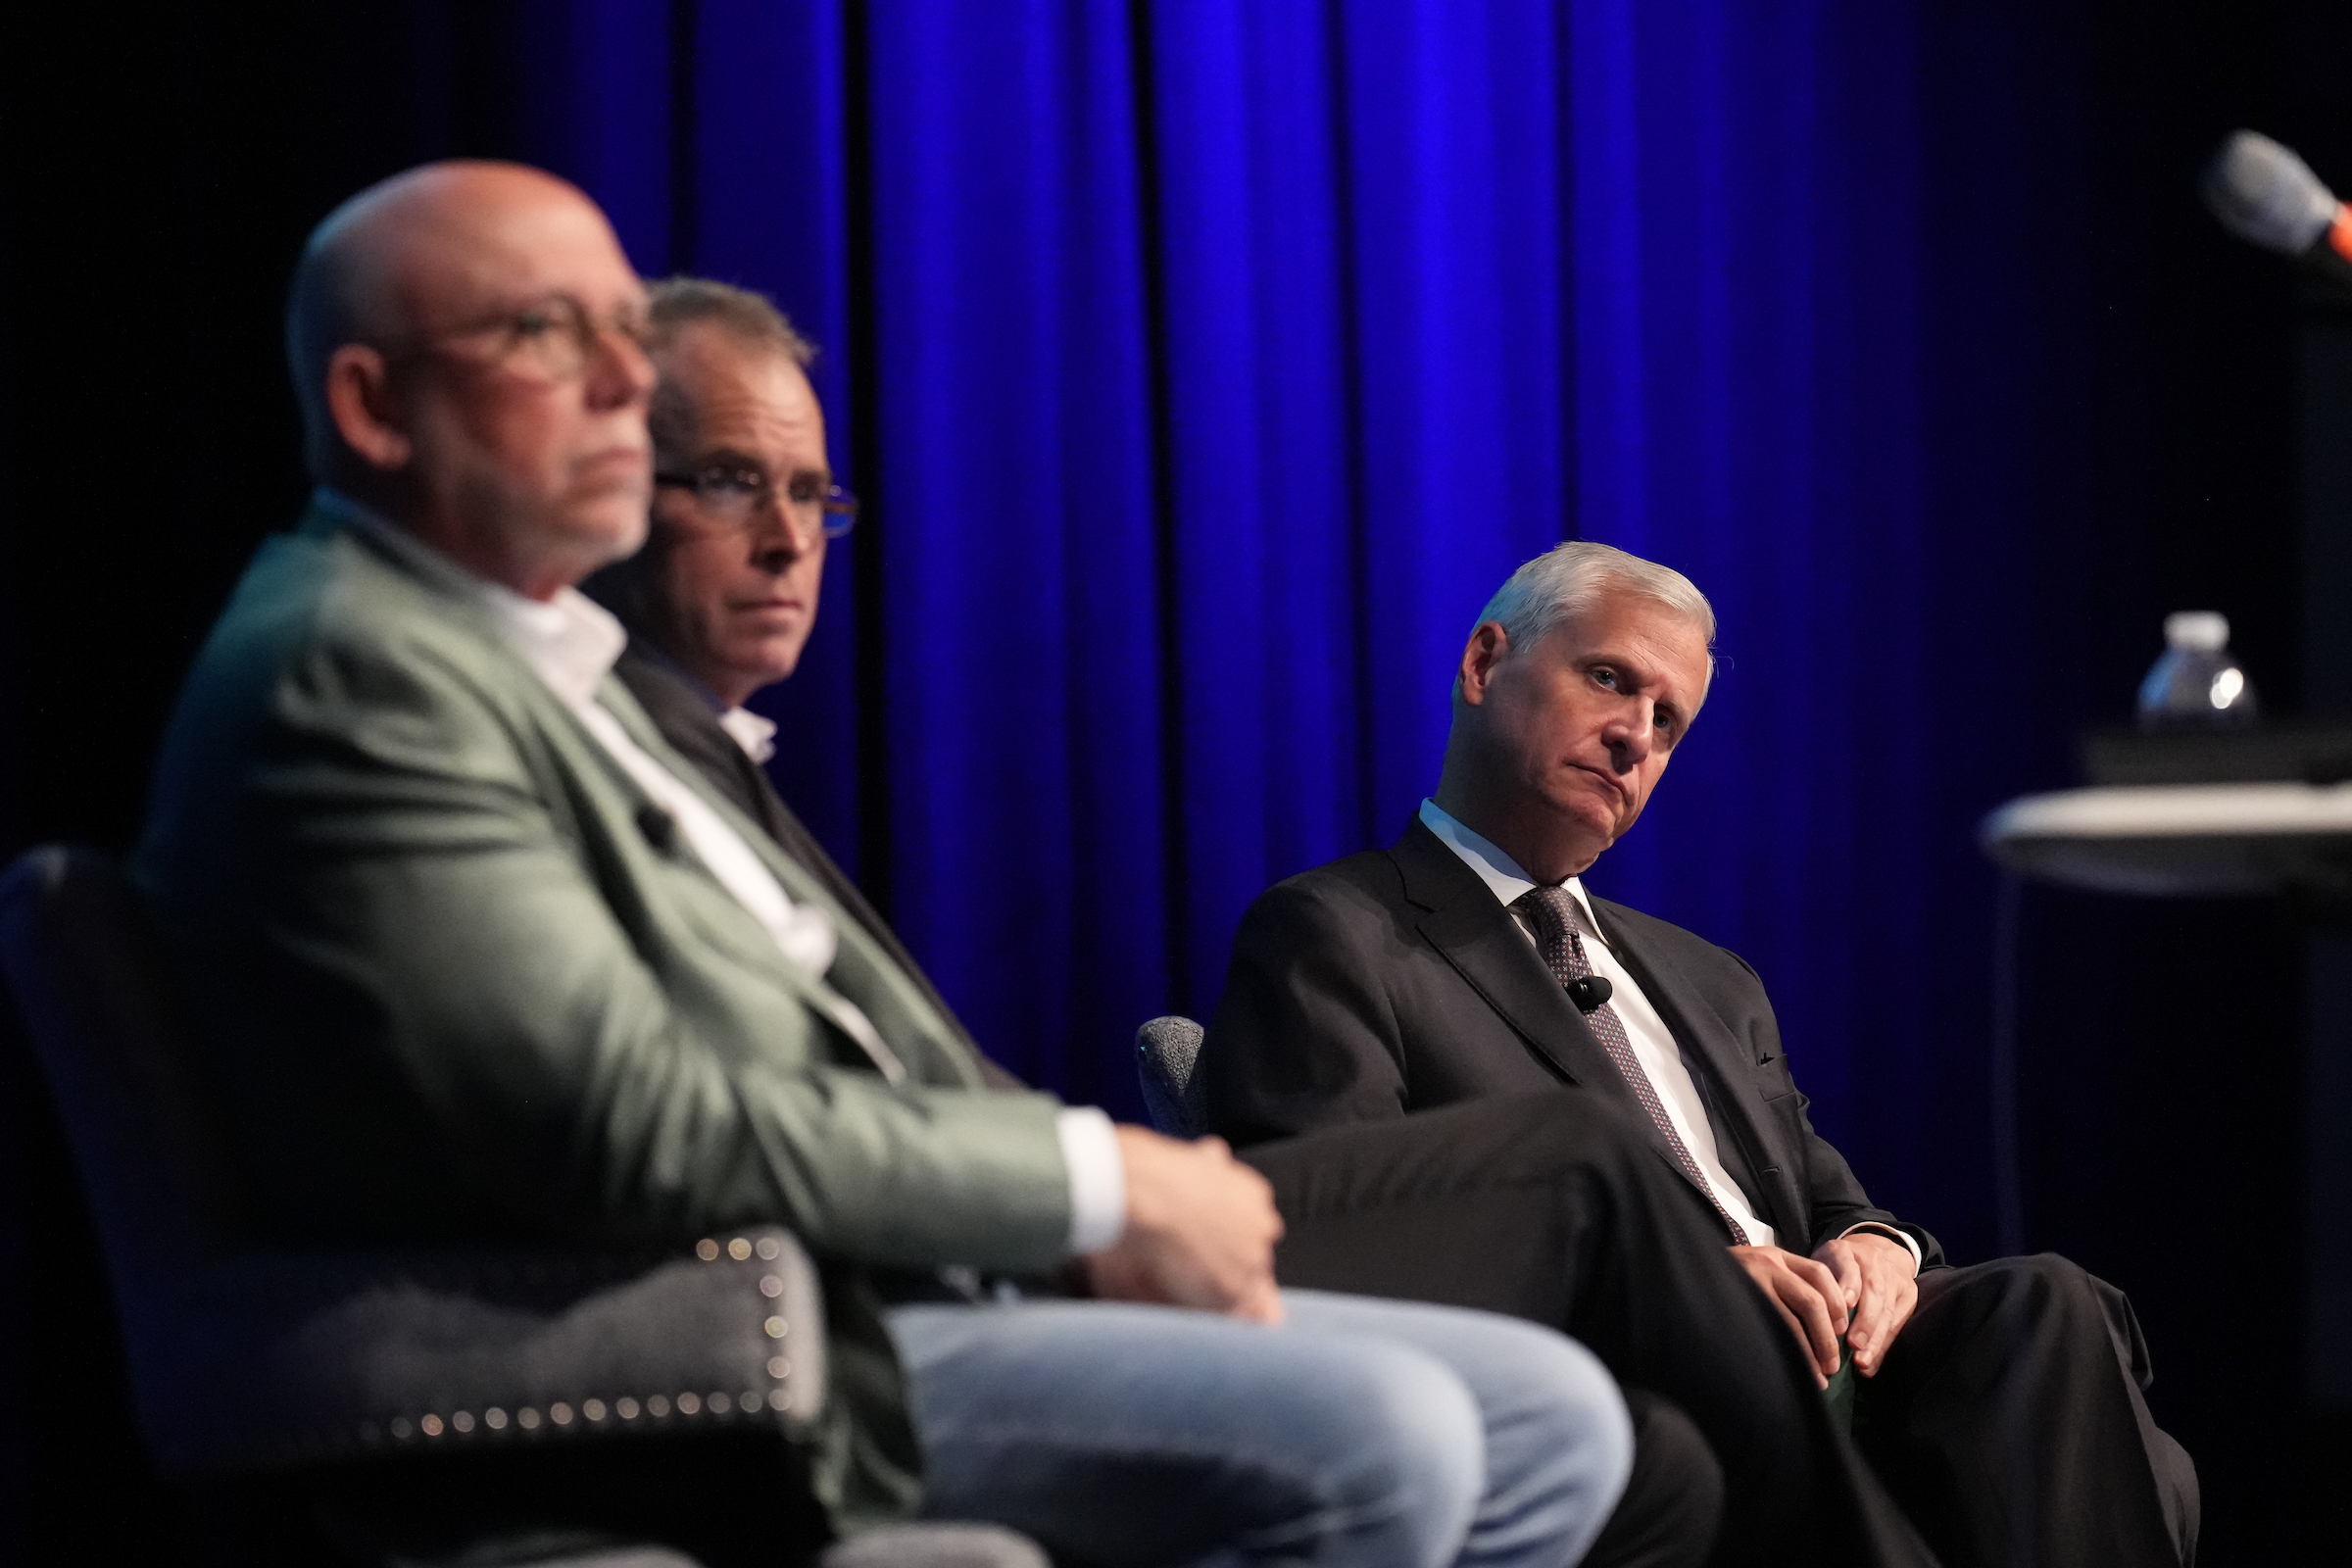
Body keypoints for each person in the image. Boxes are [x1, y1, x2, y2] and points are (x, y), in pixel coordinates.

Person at [132, 162, 1643, 1568]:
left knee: (1553, 1421)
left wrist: (1092, 1222)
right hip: (682, 1342)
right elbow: (624, 1129)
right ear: (374, 406)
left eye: (618, 330)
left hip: (846, 1286)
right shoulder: (360, 673)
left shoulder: (540, 677)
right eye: (546, 332)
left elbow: (826, 1044)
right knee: (1394, 1437)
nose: (617, 379)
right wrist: (1080, 1187)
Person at [578, 275, 1723, 1568]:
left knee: (1642, 1429)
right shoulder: (1337, 926)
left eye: (811, 497)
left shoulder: (717, 766)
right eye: (732, 483)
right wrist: (1091, 1193)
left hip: (980, 1250)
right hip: (840, 1306)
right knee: (1571, 1176)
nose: (790, 541)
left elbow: (903, 1076)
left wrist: (1875, 1250)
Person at [1200, 540, 2201, 1568]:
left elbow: (1828, 1199)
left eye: (1668, 721)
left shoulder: (1709, 978)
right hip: (1650, 1366)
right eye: (1608, 679)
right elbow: (1332, 1235)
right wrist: (1692, 1286)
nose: (1635, 735)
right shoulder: (1337, 931)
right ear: (1485, 663)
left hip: (1837, 1354)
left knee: (2047, 1300)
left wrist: (1875, 1248)